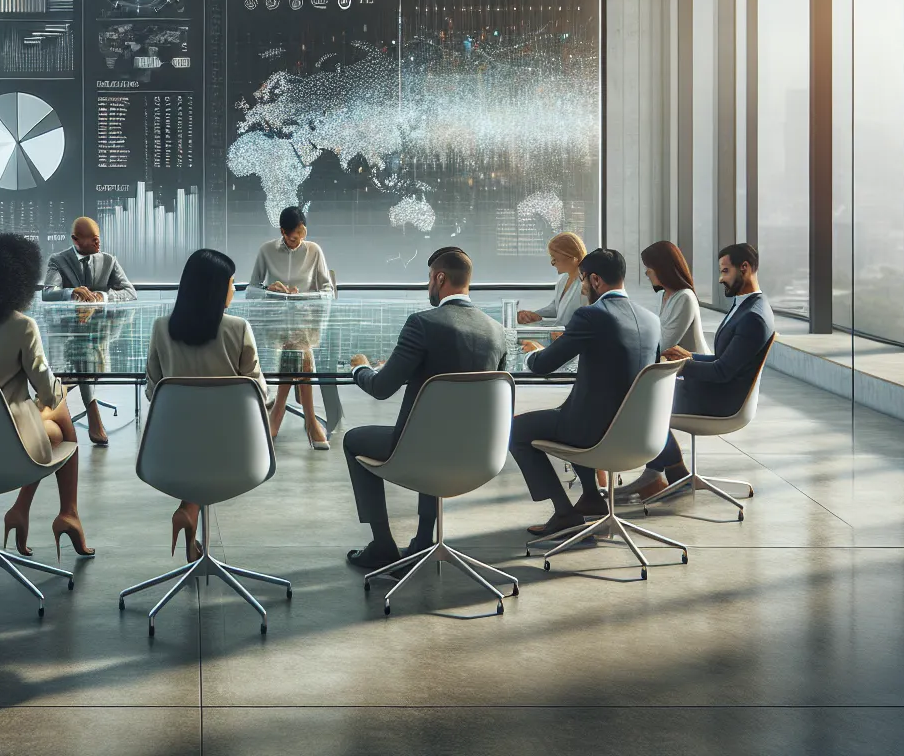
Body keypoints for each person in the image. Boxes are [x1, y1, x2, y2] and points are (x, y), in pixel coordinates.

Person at [341, 247, 508, 571]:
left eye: (429, 279)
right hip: (481, 456)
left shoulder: (423, 324)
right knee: (438, 432)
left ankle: (382, 545)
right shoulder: (496, 331)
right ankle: (422, 539)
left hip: (421, 453)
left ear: (440, 278)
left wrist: (360, 368)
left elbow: (381, 388)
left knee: (353, 440)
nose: (428, 285)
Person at [0, 233, 94, 560]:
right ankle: (67, 513)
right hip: (10, 443)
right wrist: (61, 386)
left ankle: (27, 511)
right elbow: (45, 390)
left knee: (54, 413)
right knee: (62, 423)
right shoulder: (22, 325)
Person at [508, 248, 662, 540]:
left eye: (582, 281)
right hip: (641, 432)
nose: (581, 288)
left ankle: (565, 513)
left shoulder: (592, 315)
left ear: (595, 280)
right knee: (571, 411)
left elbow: (545, 365)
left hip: (597, 433)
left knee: (516, 430)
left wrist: (533, 354)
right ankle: (591, 497)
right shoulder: (650, 319)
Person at [622, 242, 775, 502]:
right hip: (717, 391)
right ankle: (668, 474)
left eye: (725, 271)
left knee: (637, 402)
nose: (721, 279)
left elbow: (722, 372)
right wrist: (691, 356)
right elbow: (722, 360)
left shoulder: (754, 317)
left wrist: (682, 364)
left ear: (745, 268)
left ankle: (673, 473)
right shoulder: (746, 307)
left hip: (723, 402)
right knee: (640, 396)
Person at [144, 248, 268, 561]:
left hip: (171, 455)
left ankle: (189, 506)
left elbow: (153, 392)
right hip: (234, 455)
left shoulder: (161, 328)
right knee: (214, 433)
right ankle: (189, 509)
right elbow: (259, 395)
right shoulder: (237, 329)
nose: (234, 289)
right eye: (231, 283)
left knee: (194, 435)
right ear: (216, 289)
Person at [41, 216, 138, 447]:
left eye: (98, 238)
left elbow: (130, 292)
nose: (98, 243)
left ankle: (56, 407)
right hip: (66, 335)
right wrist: (71, 293)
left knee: (83, 352)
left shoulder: (108, 261)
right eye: (92, 239)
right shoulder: (59, 261)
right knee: (80, 351)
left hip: (99, 334)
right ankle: (92, 410)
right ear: (75, 240)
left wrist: (101, 297)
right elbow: (47, 292)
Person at [247, 206, 335, 449]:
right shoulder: (267, 251)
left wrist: (306, 297)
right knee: (299, 348)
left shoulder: (314, 251)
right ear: (283, 232)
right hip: (276, 324)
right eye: (293, 237)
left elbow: (328, 291)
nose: (298, 241)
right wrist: (269, 290)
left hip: (305, 321)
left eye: (302, 235)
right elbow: (251, 291)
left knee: (296, 345)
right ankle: (310, 422)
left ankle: (278, 413)